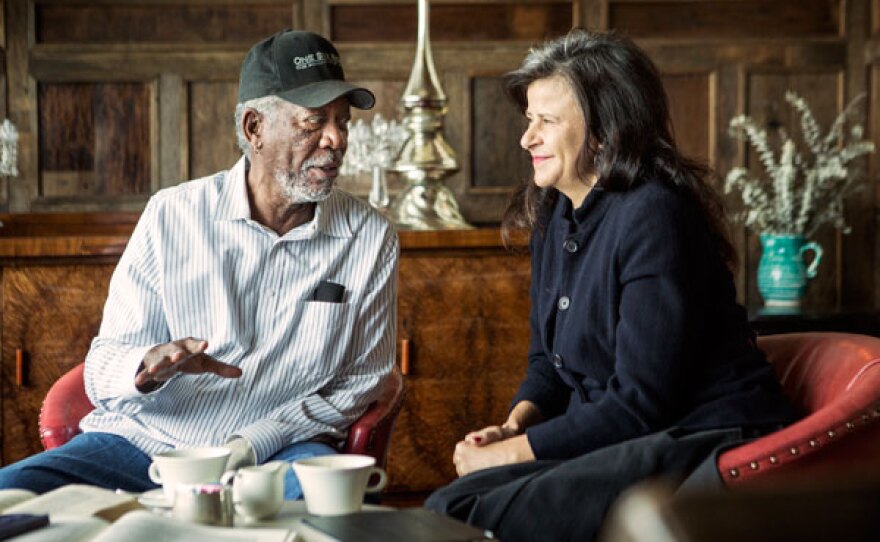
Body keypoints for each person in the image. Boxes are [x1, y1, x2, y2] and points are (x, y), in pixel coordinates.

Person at [425, 29, 796, 541]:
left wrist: (514, 454)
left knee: (474, 512)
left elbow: (642, 400)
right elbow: (548, 365)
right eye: (529, 119)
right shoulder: (555, 213)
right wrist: (515, 426)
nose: (526, 138)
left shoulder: (655, 215)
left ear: (604, 131)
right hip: (627, 434)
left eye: (547, 121)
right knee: (451, 501)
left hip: (702, 433)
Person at [0, 30, 398, 500]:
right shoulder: (171, 215)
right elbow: (105, 365)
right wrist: (145, 366)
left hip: (282, 452)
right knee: (14, 494)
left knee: (327, 511)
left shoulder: (370, 237)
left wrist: (251, 444)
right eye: (314, 122)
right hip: (145, 446)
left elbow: (362, 382)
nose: (336, 139)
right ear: (254, 129)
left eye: (342, 122)